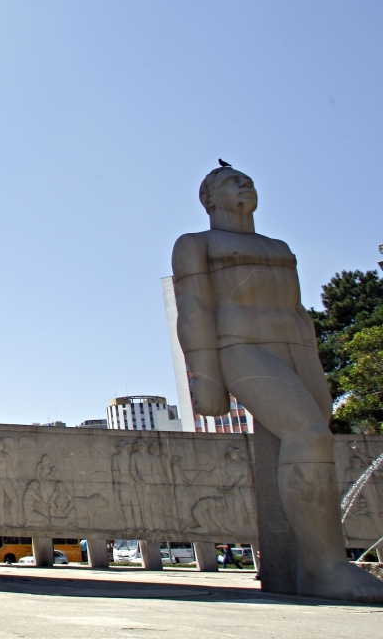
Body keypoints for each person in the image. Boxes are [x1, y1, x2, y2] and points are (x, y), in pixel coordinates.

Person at [172, 167, 383, 602]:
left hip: (297, 347)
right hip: (243, 345)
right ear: (208, 199)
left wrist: (314, 358)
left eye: (248, 180)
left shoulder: (278, 246)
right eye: (232, 182)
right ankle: (326, 567)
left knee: (315, 439)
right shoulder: (196, 245)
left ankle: (307, 566)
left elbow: (299, 307)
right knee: (305, 433)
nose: (245, 185)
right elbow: (193, 309)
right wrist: (206, 380)